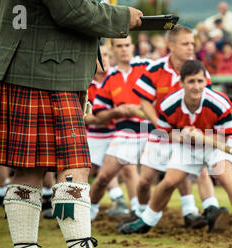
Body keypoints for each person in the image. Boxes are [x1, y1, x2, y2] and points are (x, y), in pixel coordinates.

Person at [0, 0, 143, 248]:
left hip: (32, 69)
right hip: (43, 72)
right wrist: (122, 16)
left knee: (28, 171)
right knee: (73, 167)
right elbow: (70, 9)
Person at [121, 60, 232, 236]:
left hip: (216, 144)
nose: (196, 87)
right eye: (191, 81)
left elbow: (226, 136)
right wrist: (181, 135)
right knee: (169, 182)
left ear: (206, 82)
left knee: (224, 176)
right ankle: (147, 220)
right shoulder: (169, 104)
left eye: (200, 81)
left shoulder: (219, 103)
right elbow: (164, 133)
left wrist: (204, 137)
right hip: (186, 145)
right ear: (181, 83)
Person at [131, 25, 224, 231]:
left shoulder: (200, 71)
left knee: (195, 171)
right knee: (145, 180)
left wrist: (197, 131)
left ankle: (203, 211)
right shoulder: (155, 69)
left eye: (193, 43)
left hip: (186, 134)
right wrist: (158, 124)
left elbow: (205, 102)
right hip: (161, 132)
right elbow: (144, 101)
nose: (191, 47)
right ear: (171, 46)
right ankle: (139, 212)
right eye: (185, 43)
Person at [87, 35, 152, 222]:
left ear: (133, 47)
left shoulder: (147, 67)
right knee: (104, 176)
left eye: (127, 45)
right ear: (113, 50)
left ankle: (189, 211)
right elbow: (99, 114)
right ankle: (89, 211)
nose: (124, 49)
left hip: (152, 129)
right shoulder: (111, 78)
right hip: (125, 131)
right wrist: (116, 112)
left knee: (167, 173)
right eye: (119, 46)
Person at [83, 43, 131, 220]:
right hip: (94, 135)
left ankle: (131, 207)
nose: (105, 60)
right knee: (82, 171)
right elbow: (84, 117)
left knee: (127, 169)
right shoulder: (85, 84)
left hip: (117, 133)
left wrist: (104, 116)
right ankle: (71, 205)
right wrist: (109, 115)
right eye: (100, 56)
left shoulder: (118, 78)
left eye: (107, 55)